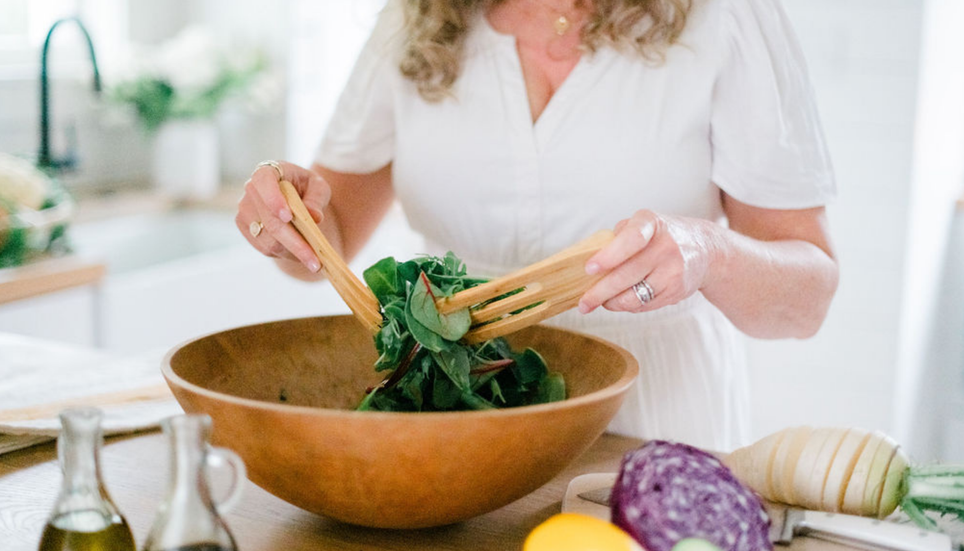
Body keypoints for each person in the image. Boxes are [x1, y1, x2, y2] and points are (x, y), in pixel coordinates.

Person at [236, 0, 838, 452]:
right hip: (452, 414)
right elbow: (329, 235)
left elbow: (808, 299)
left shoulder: (725, 16)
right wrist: (287, 218)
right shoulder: (419, 15)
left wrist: (711, 251)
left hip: (652, 418)